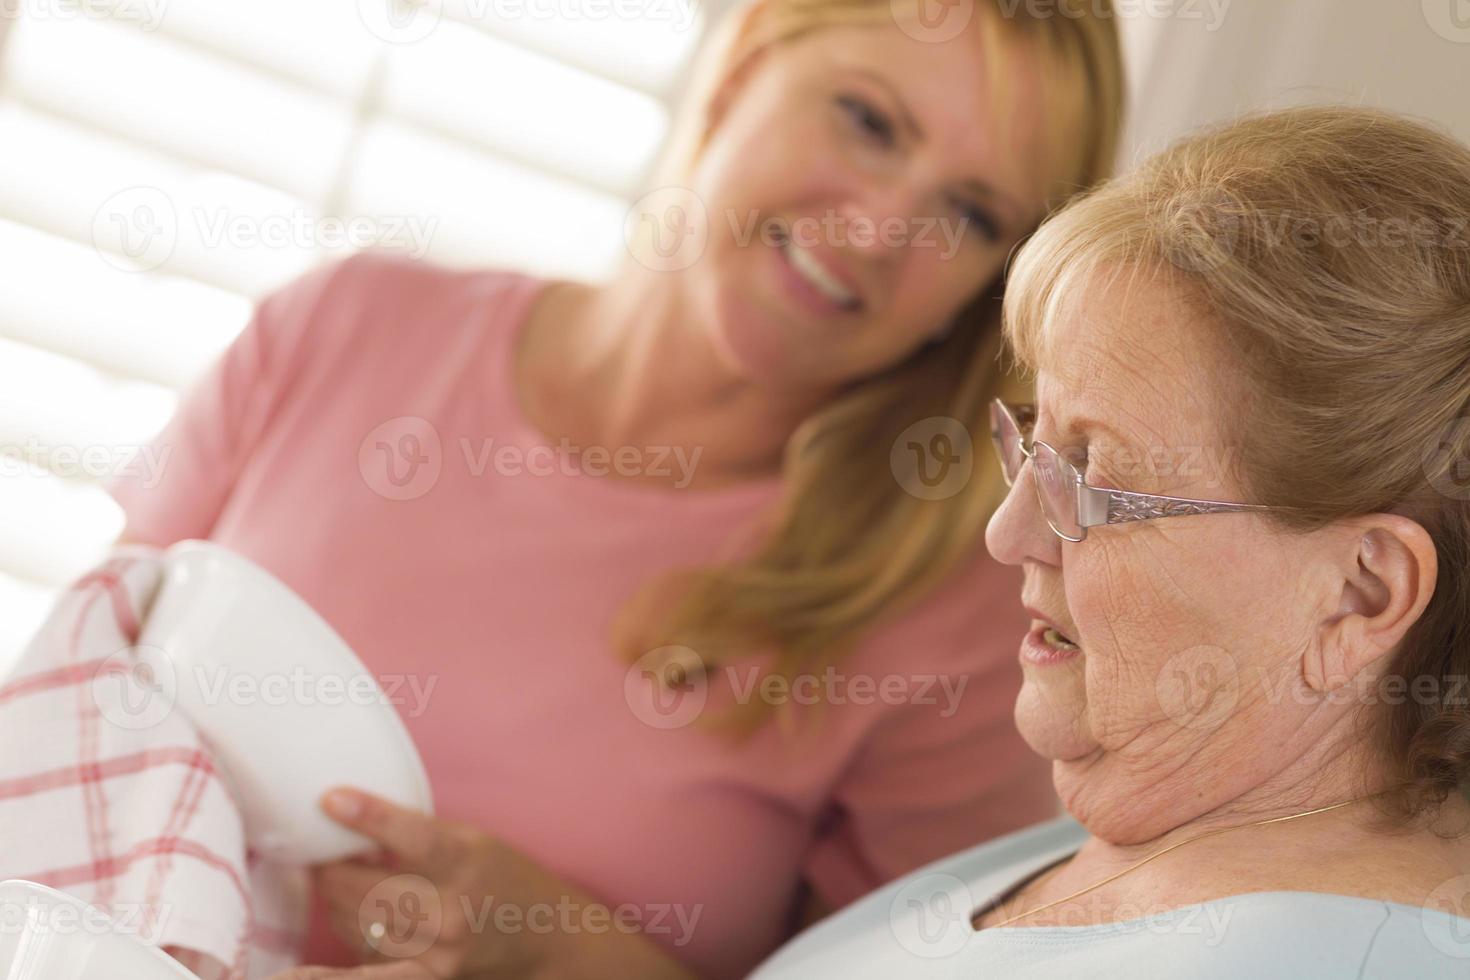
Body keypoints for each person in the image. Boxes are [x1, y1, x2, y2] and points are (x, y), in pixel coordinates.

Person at [107, 0, 1125, 976]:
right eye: (868, 121)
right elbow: (59, 704)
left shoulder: (961, 625)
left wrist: (556, 954)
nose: (879, 232)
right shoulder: (340, 328)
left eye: (969, 211)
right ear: (743, 66)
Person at [743, 104, 1470, 977]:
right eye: (1034, 444)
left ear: (1362, 594)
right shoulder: (1132, 830)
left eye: (1090, 478)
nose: (1008, 534)